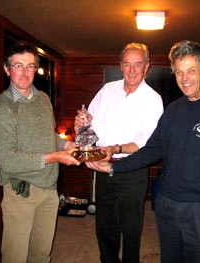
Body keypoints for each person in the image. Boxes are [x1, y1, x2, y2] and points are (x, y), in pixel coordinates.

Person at [86, 40, 200, 263]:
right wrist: (113, 166)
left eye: (191, 71)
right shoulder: (174, 109)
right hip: (168, 206)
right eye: (179, 72)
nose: (185, 79)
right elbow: (153, 149)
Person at [0, 42, 80, 263]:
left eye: (30, 66)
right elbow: (8, 160)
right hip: (21, 192)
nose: (25, 72)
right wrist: (55, 157)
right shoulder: (0, 108)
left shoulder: (44, 99)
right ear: (7, 69)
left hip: (49, 189)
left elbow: (49, 137)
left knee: (41, 253)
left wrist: (64, 145)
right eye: (18, 66)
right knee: (15, 256)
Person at [74, 42, 164, 263]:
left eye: (137, 64)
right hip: (102, 166)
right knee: (105, 225)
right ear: (121, 66)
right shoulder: (107, 90)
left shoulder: (153, 99)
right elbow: (91, 128)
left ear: (147, 66)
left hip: (132, 170)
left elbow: (147, 142)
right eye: (127, 64)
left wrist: (116, 148)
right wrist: (82, 125)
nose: (132, 70)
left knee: (131, 227)